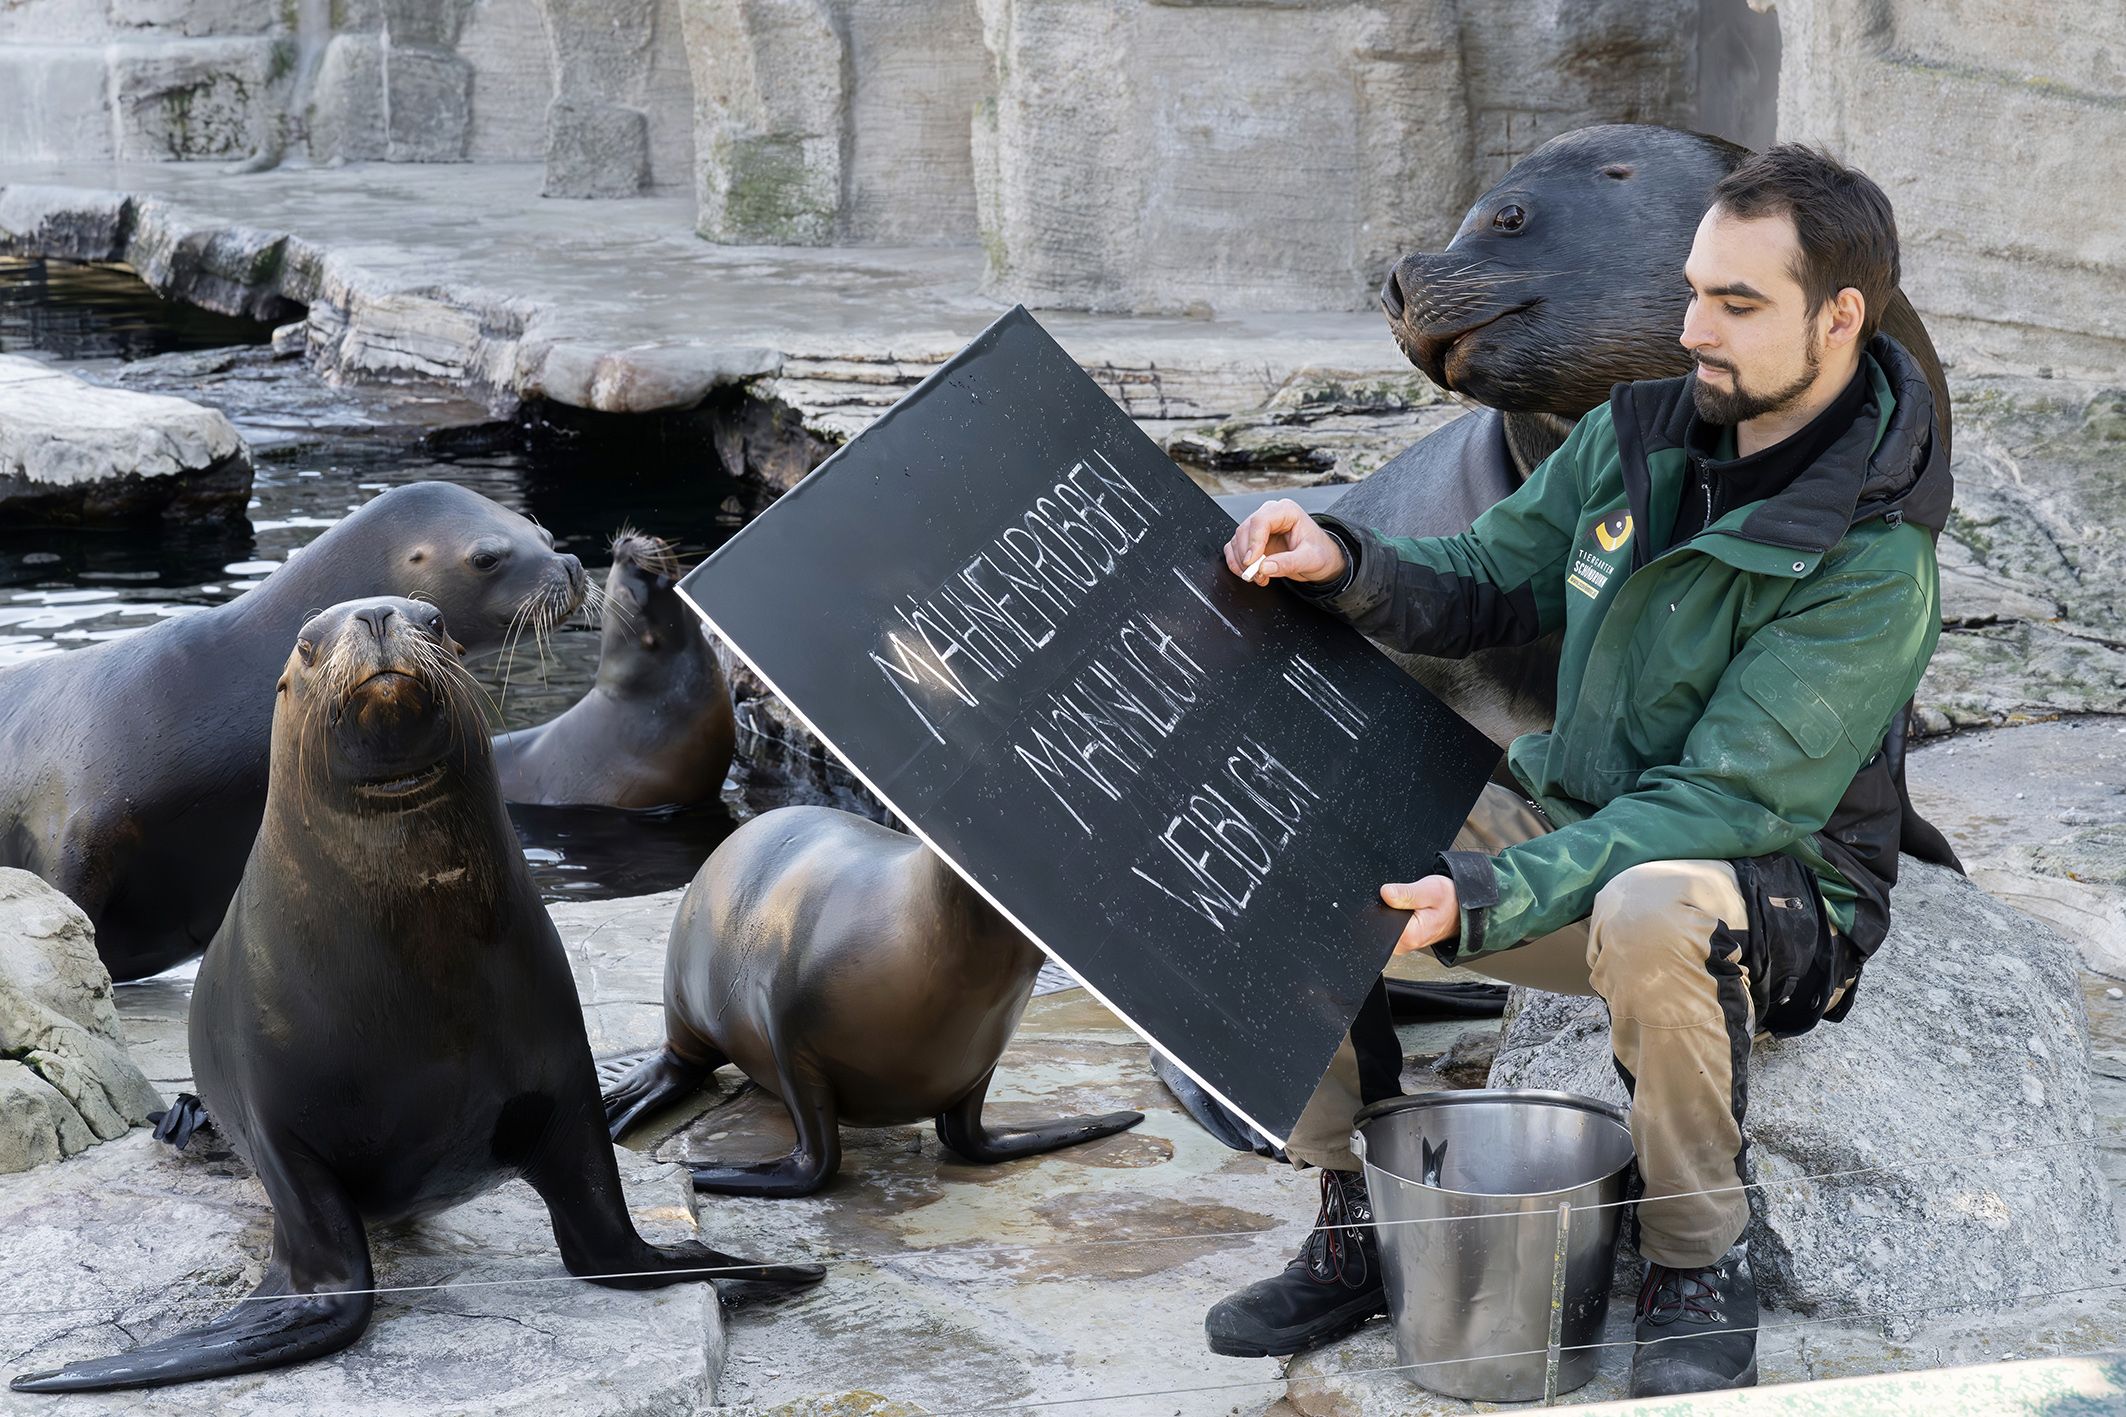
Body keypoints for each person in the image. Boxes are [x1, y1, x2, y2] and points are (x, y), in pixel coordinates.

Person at [1206, 144, 1951, 1398]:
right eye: (1691, 291)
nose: (1690, 331)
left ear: (1840, 318)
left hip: (1770, 891)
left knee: (1646, 901)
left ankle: (1693, 1258)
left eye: (1736, 305)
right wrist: (1340, 561)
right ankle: (1351, 1210)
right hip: (1586, 813)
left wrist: (1490, 893)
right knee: (1298, 841)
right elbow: (1491, 578)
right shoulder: (1638, 429)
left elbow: (1724, 800)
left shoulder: (1874, 560)